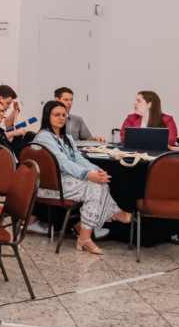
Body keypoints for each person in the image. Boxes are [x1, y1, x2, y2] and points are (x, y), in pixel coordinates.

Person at [35, 100, 132, 254]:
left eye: (63, 115)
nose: (61, 118)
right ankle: (110, 215)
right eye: (56, 115)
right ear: (47, 117)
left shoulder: (66, 137)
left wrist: (97, 171)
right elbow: (63, 162)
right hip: (50, 186)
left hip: (65, 181)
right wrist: (87, 175)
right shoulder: (44, 136)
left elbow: (78, 159)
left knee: (99, 182)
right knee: (94, 185)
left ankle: (85, 236)